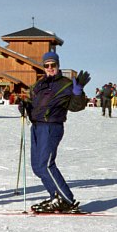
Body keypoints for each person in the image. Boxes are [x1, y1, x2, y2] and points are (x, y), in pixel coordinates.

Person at [18, 52, 90, 213]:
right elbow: (31, 102)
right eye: (47, 65)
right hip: (36, 126)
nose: (50, 68)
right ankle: (56, 196)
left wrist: (78, 92)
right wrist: (24, 106)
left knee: (46, 164)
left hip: (51, 126)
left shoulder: (66, 84)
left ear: (58, 65)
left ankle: (66, 199)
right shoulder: (39, 84)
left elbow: (76, 106)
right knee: (37, 167)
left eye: (53, 65)